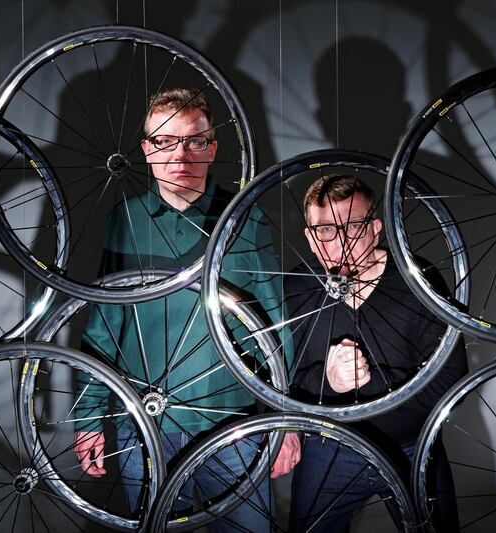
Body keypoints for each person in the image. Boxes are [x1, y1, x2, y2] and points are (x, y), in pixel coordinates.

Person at [71, 88, 293, 528]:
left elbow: (276, 321)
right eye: (166, 141)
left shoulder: (246, 216)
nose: (181, 155)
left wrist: (285, 420)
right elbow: (105, 324)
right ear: (146, 151)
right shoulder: (125, 218)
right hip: (145, 424)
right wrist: (90, 416)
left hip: (236, 426)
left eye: (194, 141)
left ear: (212, 149)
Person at [281, 174, 466, 532]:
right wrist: (329, 381)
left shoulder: (418, 280)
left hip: (410, 450)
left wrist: (384, 414)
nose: (341, 243)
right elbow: (284, 383)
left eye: (353, 226)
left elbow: (451, 373)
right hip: (328, 452)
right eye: (325, 231)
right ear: (309, 237)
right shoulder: (295, 288)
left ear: (376, 229)